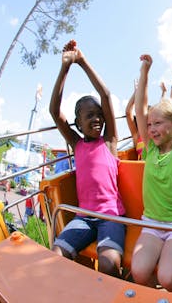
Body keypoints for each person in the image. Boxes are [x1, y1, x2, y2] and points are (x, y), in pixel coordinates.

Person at [49, 40, 125, 278]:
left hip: (110, 217)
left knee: (108, 264)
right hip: (84, 218)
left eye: (99, 115)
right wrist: (65, 68)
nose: (97, 120)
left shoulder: (109, 141)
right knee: (56, 256)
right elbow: (54, 111)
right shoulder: (77, 144)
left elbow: (105, 94)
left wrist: (81, 61)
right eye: (89, 116)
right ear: (78, 124)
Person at [130, 51, 172, 293]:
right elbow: (139, 110)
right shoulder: (149, 150)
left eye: (158, 124)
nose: (151, 129)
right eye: (150, 125)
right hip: (151, 224)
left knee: (168, 278)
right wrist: (145, 71)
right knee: (138, 273)